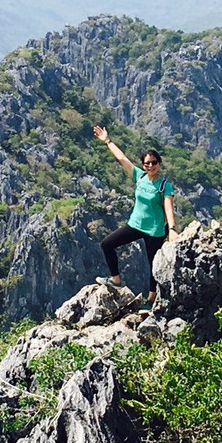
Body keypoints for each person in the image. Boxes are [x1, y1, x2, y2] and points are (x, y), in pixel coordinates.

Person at [92, 124, 178, 311]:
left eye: (153, 162)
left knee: (154, 265)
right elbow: (122, 158)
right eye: (147, 163)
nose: (150, 166)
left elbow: (168, 207)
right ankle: (116, 280)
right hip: (136, 225)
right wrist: (107, 141)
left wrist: (171, 229)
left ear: (159, 163)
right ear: (143, 165)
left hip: (155, 230)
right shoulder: (139, 177)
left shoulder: (164, 185)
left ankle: (151, 299)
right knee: (107, 244)